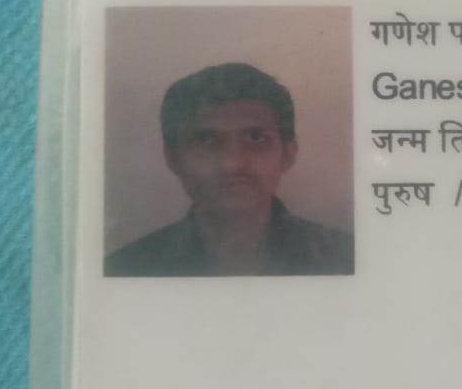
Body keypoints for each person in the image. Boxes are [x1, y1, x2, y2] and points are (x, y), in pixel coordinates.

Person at [105, 63, 354, 276]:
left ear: (288, 154)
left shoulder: (347, 258)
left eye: (256, 138)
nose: (232, 163)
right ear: (173, 159)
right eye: (206, 140)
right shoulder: (125, 268)